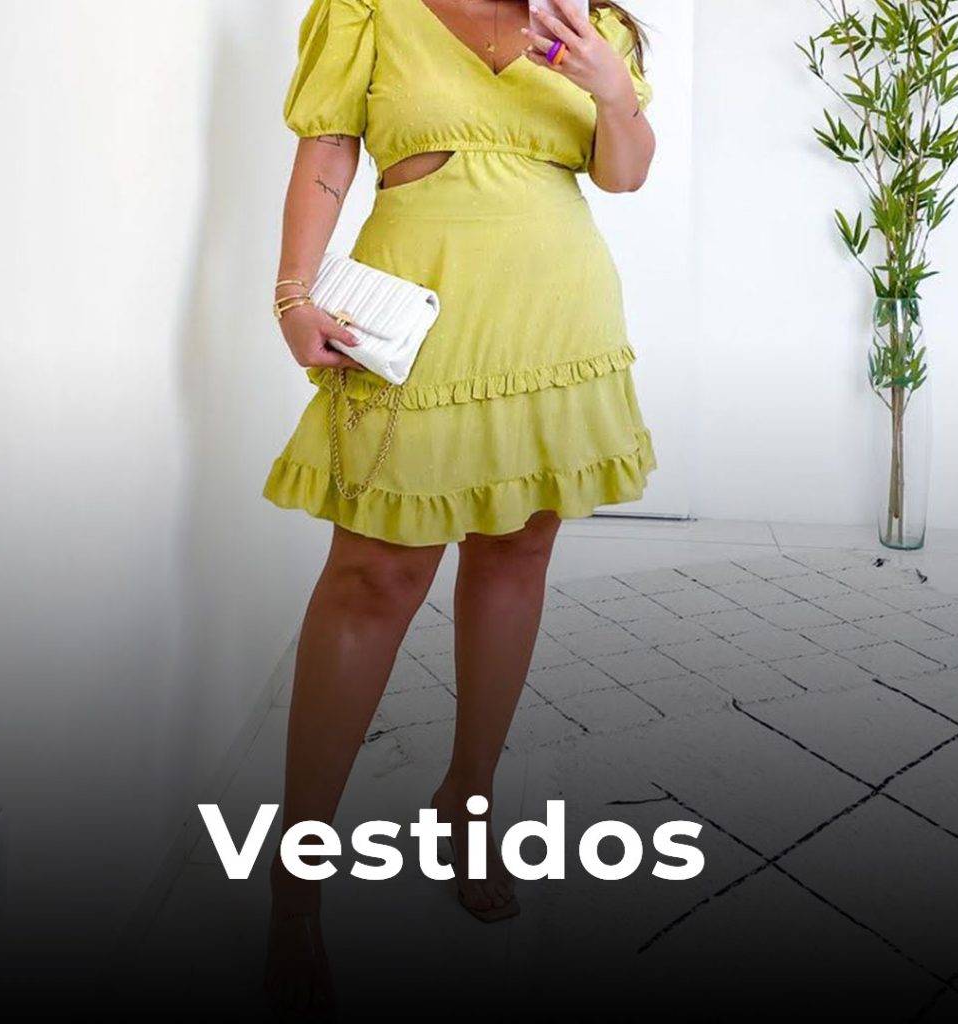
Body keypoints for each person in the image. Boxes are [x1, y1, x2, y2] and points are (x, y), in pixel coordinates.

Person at [261, 0, 656, 1013]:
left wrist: (613, 90)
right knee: (371, 577)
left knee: (516, 555)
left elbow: (622, 174)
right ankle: (296, 884)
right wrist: (293, 292)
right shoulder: (371, 10)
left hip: (554, 316)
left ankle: (468, 801)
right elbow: (328, 147)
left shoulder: (589, 22)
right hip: (416, 317)